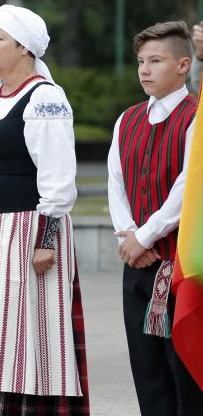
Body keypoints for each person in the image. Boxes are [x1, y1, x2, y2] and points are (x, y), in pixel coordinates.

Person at [0, 4, 88, 414]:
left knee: (25, 337)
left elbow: (59, 177)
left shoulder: (45, 98)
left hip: (25, 233)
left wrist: (46, 240)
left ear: (25, 49)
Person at [107, 21, 203, 415]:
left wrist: (144, 236)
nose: (144, 70)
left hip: (179, 263)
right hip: (138, 265)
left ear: (183, 65)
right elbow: (116, 182)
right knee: (146, 369)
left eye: (156, 61)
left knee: (183, 371)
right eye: (141, 61)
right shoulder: (126, 119)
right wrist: (126, 237)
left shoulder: (195, 116)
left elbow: (188, 187)